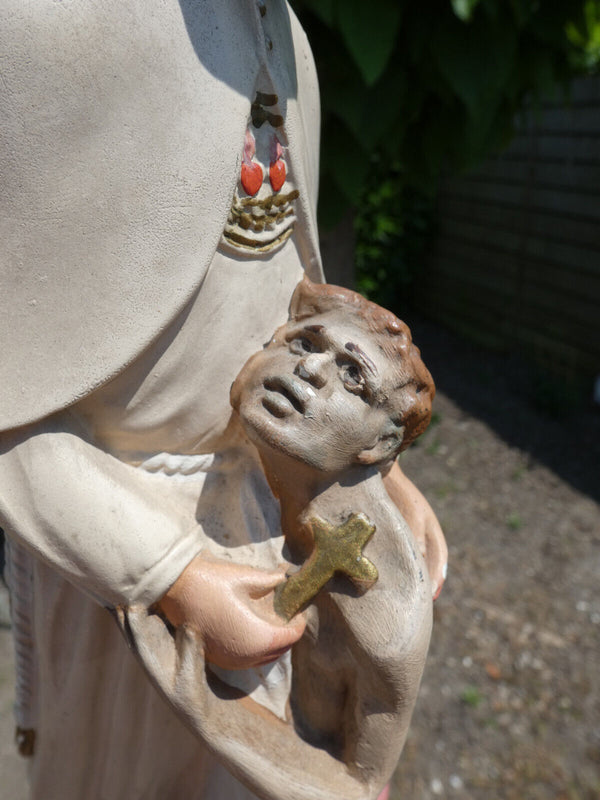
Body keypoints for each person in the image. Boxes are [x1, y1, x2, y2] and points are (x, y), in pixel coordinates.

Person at [0, 2, 445, 798]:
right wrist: (167, 573)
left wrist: (376, 470)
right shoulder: (41, 24)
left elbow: (288, 294)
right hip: (114, 542)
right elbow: (15, 417)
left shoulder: (287, 35)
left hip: (262, 507)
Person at [123, 277, 436, 800]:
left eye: (352, 376)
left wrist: (209, 709)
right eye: (305, 344)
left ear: (381, 443)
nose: (310, 370)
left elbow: (355, 787)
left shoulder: (387, 619)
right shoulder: (234, 478)